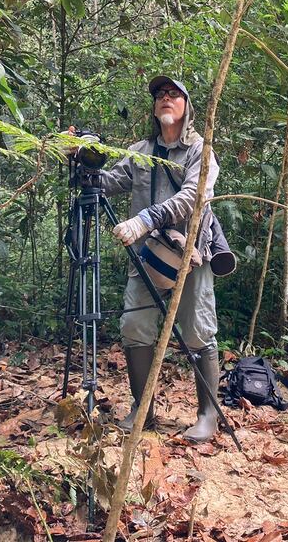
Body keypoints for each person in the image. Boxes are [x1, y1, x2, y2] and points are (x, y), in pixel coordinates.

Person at [99, 75, 221, 443]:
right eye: (160, 95)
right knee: (135, 327)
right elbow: (105, 181)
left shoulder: (201, 150)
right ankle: (143, 408)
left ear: (187, 106)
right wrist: (81, 157)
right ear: (154, 107)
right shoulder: (140, 151)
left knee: (198, 330)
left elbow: (193, 197)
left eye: (174, 94)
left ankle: (207, 414)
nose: (166, 99)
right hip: (146, 256)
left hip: (189, 254)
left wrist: (146, 219)